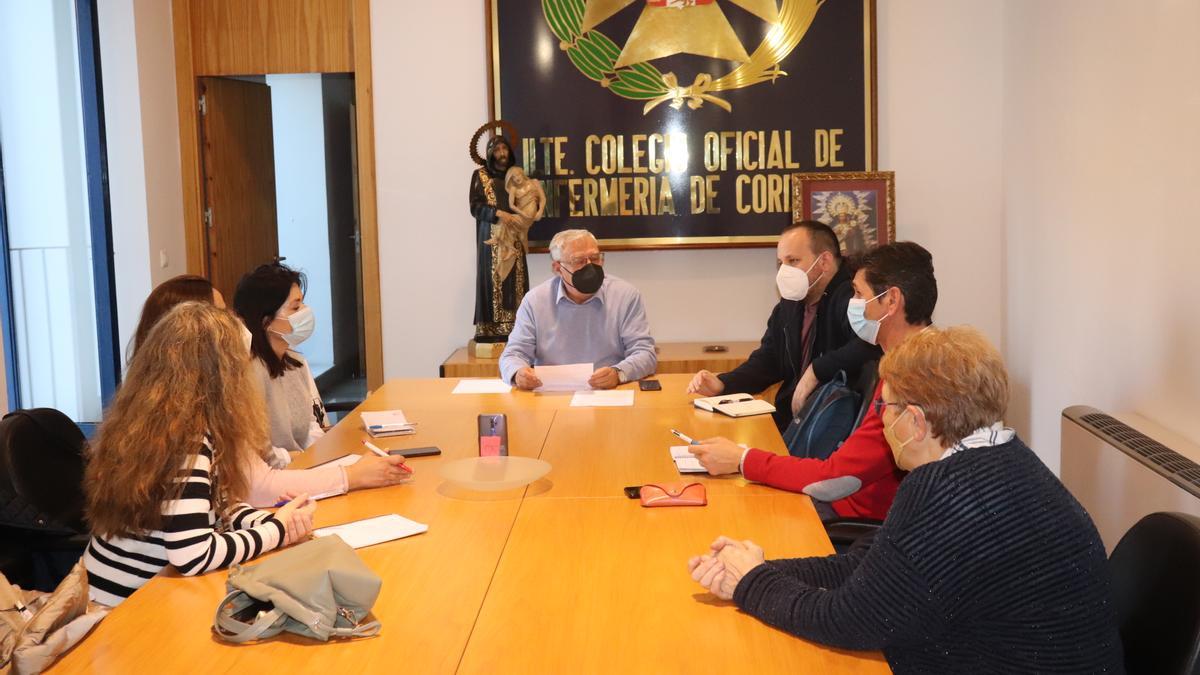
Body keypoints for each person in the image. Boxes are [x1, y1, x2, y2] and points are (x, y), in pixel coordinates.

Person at [686, 327, 1125, 673]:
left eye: (885, 407)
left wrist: (750, 584)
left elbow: (850, 621)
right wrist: (761, 569)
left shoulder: (949, 492)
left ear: (914, 421)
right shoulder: (1001, 458)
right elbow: (869, 567)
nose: (880, 417)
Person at [83, 303, 317, 607]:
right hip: (124, 611)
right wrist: (277, 530)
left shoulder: (156, 421)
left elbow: (215, 506)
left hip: (117, 592)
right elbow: (192, 554)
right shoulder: (188, 440)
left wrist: (265, 522)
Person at [688, 242, 936, 522]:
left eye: (858, 294)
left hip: (851, 520)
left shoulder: (912, 377)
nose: (852, 305)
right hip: (844, 505)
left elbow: (833, 480)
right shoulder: (918, 360)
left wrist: (741, 459)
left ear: (891, 301)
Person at [130, 275, 409, 508]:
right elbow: (256, 486)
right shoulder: (187, 420)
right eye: (222, 313)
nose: (233, 321)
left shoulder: (180, 403)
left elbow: (236, 498)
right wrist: (351, 476)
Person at [687, 221, 880, 432]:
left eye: (793, 261)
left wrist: (817, 370)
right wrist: (723, 384)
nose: (785, 271)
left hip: (831, 425)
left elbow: (870, 345)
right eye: (781, 263)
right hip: (792, 421)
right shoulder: (790, 303)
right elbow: (769, 360)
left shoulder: (854, 298)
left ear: (824, 261)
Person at [499, 229, 656, 390]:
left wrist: (618, 373)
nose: (590, 267)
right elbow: (512, 355)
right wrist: (518, 373)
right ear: (558, 268)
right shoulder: (534, 301)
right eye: (579, 261)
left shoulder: (625, 296)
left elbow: (645, 354)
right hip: (552, 394)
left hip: (607, 394)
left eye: (595, 258)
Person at [470, 134, 528, 342]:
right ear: (489, 153)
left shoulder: (516, 176)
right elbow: (475, 207)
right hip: (491, 240)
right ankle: (492, 329)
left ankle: (517, 328)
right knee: (493, 279)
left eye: (504, 149)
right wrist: (498, 214)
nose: (501, 154)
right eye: (497, 150)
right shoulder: (481, 176)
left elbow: (528, 201)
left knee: (516, 281)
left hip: (514, 237)